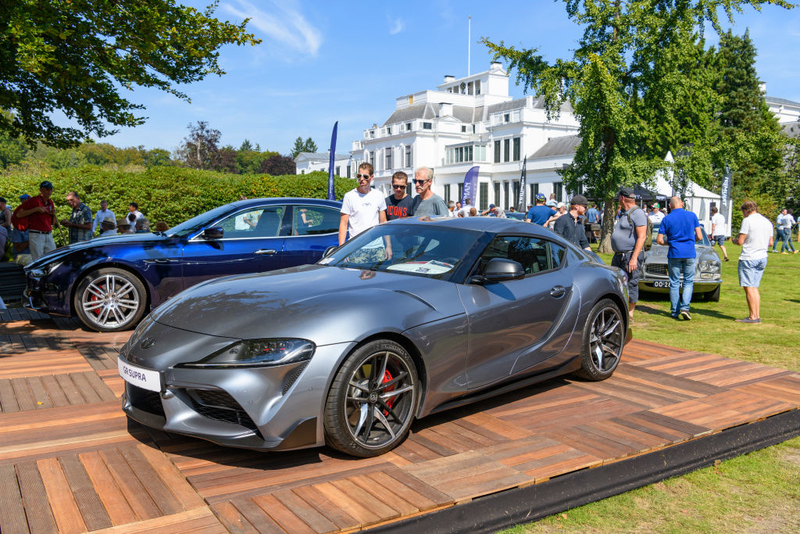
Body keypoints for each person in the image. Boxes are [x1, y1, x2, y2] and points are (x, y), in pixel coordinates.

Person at [657, 197, 703, 320]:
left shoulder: (666, 218)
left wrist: (670, 242)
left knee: (674, 282)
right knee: (688, 281)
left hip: (674, 253)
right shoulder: (692, 216)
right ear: (682, 204)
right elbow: (699, 235)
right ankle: (685, 307)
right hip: (689, 252)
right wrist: (691, 241)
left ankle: (674, 311)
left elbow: (659, 240)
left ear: (670, 206)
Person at [732, 200, 773, 323]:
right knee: (754, 287)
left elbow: (740, 241)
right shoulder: (767, 222)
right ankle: (756, 314)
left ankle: (753, 316)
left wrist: (734, 240)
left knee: (749, 287)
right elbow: (770, 243)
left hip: (749, 256)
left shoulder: (747, 221)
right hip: (762, 256)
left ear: (746, 210)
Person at [611, 187, 648, 321]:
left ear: (622, 198)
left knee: (631, 282)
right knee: (616, 282)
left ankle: (630, 314)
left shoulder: (637, 213)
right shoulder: (624, 213)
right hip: (619, 255)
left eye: (618, 198)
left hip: (629, 255)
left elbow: (642, 237)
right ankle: (621, 309)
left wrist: (633, 258)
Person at [338, 163, 387, 245]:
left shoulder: (379, 195)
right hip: (355, 246)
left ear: (371, 177)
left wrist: (388, 245)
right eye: (359, 176)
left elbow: (383, 222)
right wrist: (341, 250)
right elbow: (343, 224)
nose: (361, 179)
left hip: (376, 246)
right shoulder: (349, 196)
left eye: (365, 177)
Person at [16, 181, 58, 260]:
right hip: (36, 234)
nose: (49, 191)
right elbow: (19, 214)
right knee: (38, 260)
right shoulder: (34, 200)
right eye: (47, 189)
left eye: (51, 189)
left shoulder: (50, 202)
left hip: (48, 234)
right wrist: (36, 209)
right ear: (41, 190)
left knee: (52, 259)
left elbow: (53, 223)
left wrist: (53, 215)